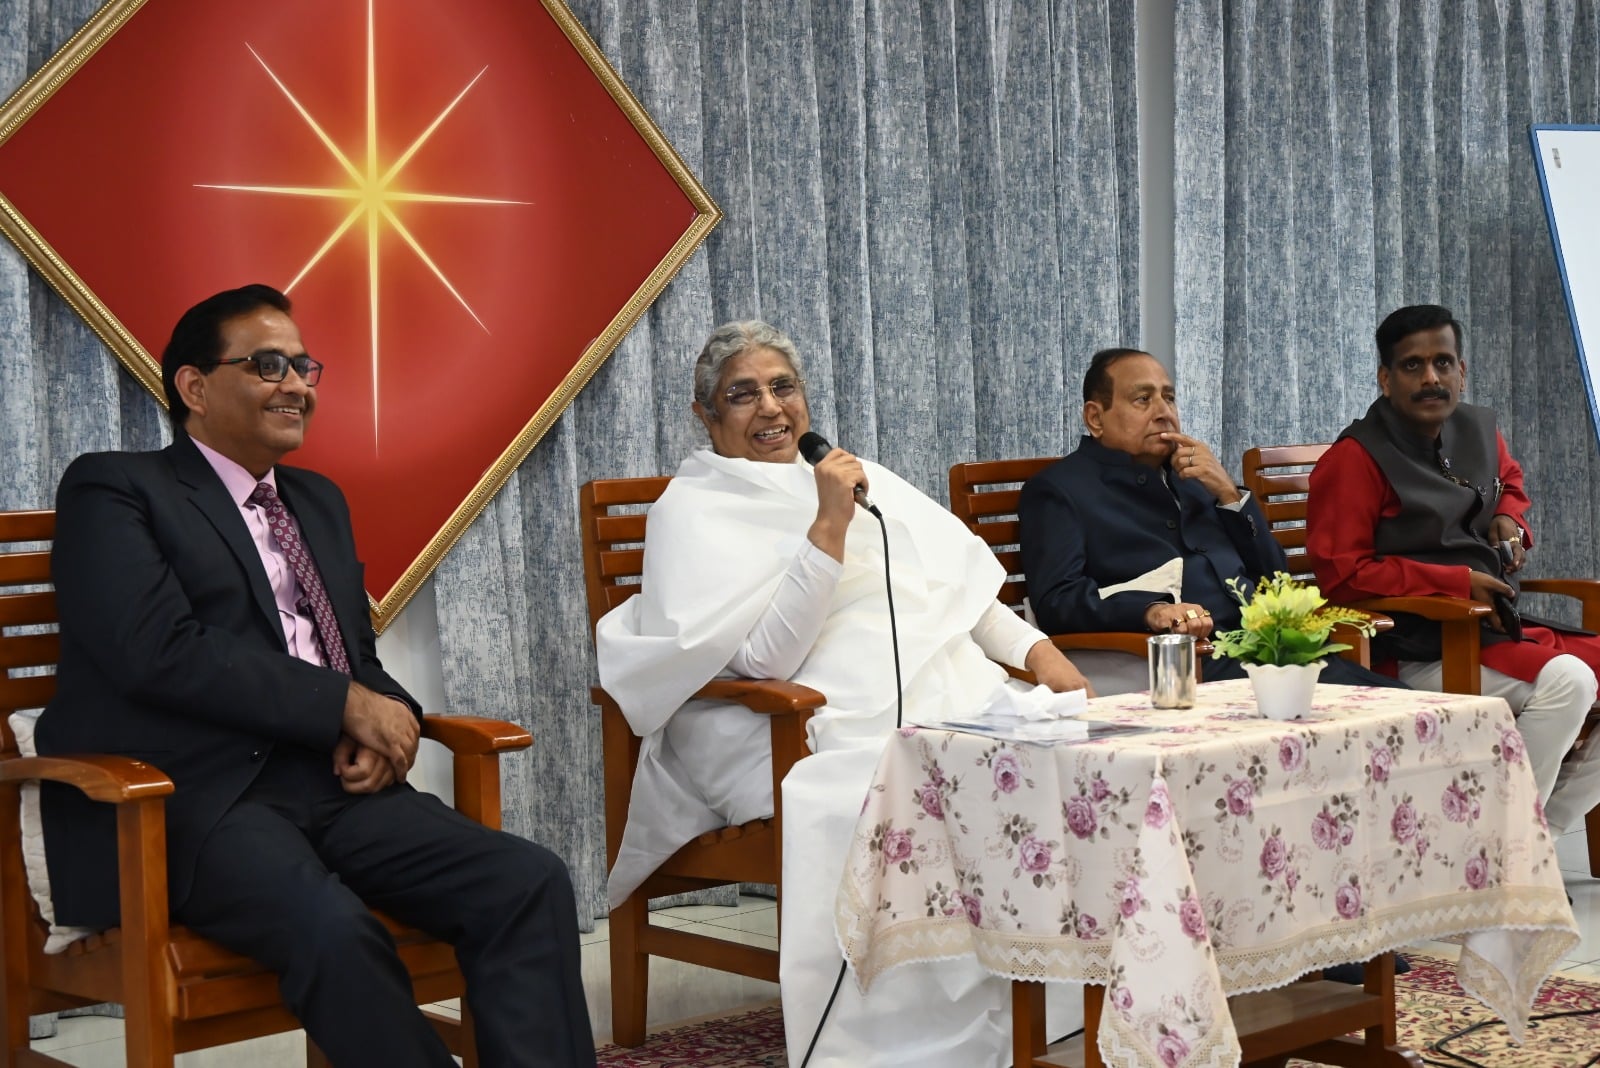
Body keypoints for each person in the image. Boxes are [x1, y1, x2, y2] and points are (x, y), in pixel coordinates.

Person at [37, 285, 595, 1067]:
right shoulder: (115, 487)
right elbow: (155, 648)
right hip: (194, 801)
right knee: (334, 930)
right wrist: (339, 705)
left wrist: (385, 723)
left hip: (336, 787)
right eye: (269, 365)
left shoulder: (317, 501)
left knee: (527, 880)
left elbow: (353, 655)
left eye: (304, 366)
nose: (297, 384)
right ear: (193, 387)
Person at [596, 320, 1092, 1068]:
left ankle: (1039, 1009)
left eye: (783, 387)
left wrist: (1045, 658)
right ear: (707, 415)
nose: (770, 408)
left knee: (1053, 755)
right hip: (782, 718)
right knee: (911, 783)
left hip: (934, 687)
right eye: (743, 394)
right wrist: (829, 522)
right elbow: (765, 657)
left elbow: (955, 589)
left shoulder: (861, 474)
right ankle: (896, 1039)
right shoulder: (690, 510)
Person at [1307, 303, 1600, 837]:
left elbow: (1509, 482)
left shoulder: (1477, 430)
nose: (1431, 379)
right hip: (1415, 647)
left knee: (1580, 678)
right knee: (1571, 682)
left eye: (1443, 363)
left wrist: (1511, 520)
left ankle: (1533, 840)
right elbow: (1342, 575)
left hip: (1491, 633)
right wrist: (1455, 582)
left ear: (1462, 370)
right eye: (1413, 366)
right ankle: (1512, 851)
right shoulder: (1353, 460)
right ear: (1385, 378)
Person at [1017, 347, 1403, 692]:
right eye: (1142, 399)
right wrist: (1149, 611)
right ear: (1095, 418)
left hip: (1271, 654)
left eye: (1169, 398)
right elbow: (1057, 601)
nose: (1163, 412)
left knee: (1408, 709)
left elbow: (1275, 579)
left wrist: (1230, 496)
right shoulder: (1059, 490)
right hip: (1195, 668)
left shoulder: (1196, 480)